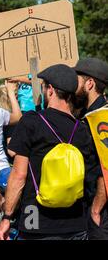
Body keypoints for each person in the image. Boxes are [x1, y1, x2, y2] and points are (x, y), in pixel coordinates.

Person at [0, 64, 99, 240]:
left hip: (34, 218)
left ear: (50, 90)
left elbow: (19, 174)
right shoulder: (82, 129)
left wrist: (7, 217)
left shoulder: (32, 122)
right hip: (74, 221)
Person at [74, 58, 108, 239]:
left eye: (77, 79)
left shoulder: (100, 118)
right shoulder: (87, 114)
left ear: (89, 83)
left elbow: (106, 167)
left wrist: (96, 208)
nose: (73, 84)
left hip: (101, 210)